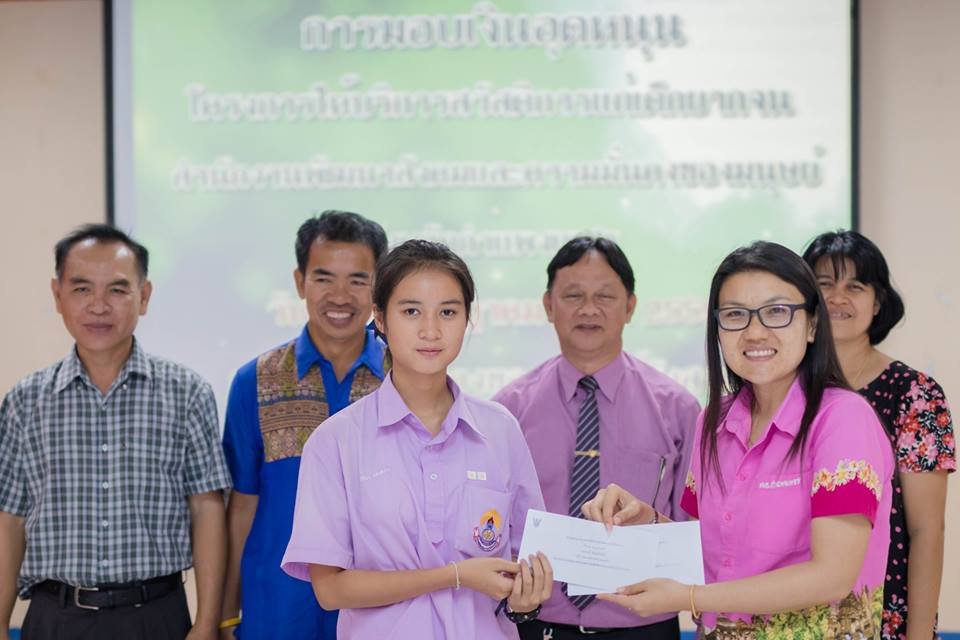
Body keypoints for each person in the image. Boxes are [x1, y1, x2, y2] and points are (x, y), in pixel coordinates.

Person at [582, 241, 894, 640]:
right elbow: (708, 553)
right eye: (735, 315)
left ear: (813, 324)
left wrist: (690, 597)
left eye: (777, 312)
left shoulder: (842, 418)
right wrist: (645, 520)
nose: (755, 332)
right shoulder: (714, 421)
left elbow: (831, 577)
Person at [281, 239, 552, 639]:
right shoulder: (336, 441)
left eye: (448, 312)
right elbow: (330, 590)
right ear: (380, 318)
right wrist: (454, 575)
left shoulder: (500, 430)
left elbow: (527, 566)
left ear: (467, 319)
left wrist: (525, 601)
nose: (431, 330)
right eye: (411, 311)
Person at [0, 224, 231, 640]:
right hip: (55, 618)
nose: (99, 306)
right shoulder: (25, 400)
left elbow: (207, 510)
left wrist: (205, 623)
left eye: (118, 290)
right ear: (57, 295)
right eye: (82, 289)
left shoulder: (187, 392)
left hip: (156, 616)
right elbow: (10, 521)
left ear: (144, 297)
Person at [494, 236, 700, 640]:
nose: (589, 309)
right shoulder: (507, 411)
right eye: (573, 295)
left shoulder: (678, 409)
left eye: (605, 296)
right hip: (537, 624)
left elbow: (693, 532)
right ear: (548, 305)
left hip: (644, 626)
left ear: (630, 306)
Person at [220, 211, 390, 639]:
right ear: (300, 283)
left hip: (381, 613)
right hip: (277, 613)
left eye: (358, 280)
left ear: (379, 287)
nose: (340, 296)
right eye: (323, 278)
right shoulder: (256, 381)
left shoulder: (403, 378)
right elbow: (242, 508)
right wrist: (223, 614)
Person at [803, 230, 955, 640]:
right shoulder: (783, 390)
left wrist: (919, 634)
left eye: (855, 287)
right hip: (790, 612)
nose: (838, 298)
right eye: (824, 284)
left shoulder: (915, 394)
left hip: (881, 612)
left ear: (877, 303)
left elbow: (926, 530)